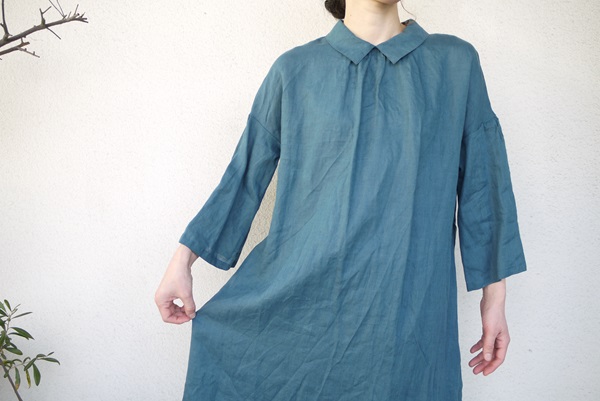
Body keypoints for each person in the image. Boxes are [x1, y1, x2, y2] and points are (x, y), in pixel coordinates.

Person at [155, 0, 528, 399]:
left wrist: (495, 297)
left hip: (408, 316)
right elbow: (244, 177)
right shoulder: (295, 71)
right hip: (303, 314)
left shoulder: (454, 64)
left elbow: (483, 186)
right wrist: (183, 260)